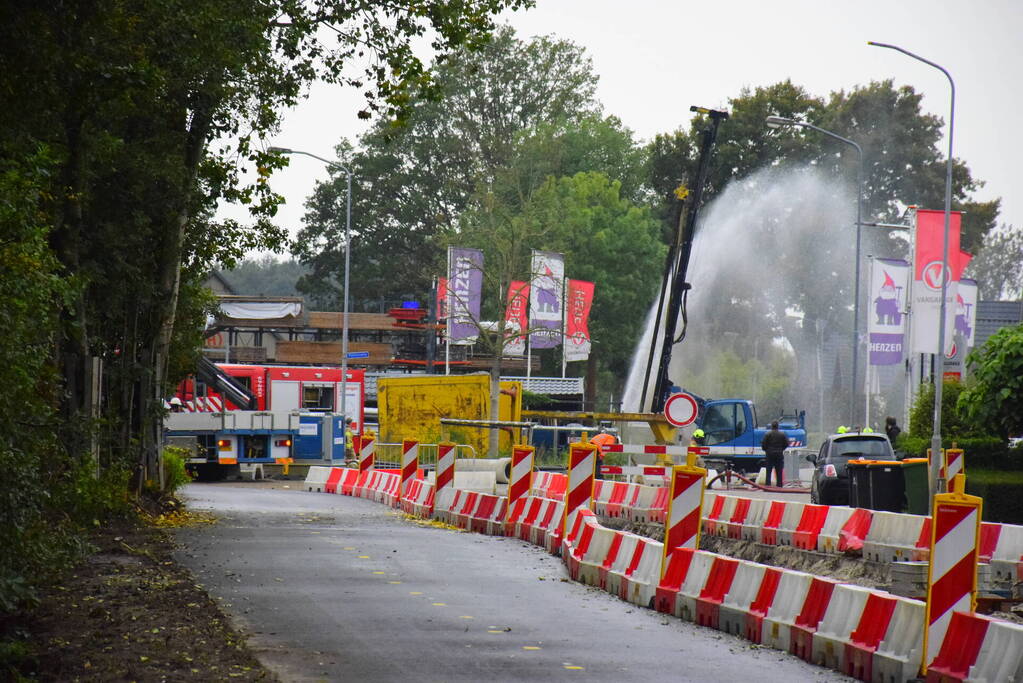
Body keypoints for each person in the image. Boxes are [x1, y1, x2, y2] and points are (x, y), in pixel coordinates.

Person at [760, 420, 788, 488]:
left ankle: (768, 485)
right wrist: (781, 449)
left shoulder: (767, 434)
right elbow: (786, 444)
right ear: (778, 426)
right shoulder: (782, 434)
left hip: (769, 454)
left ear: (772, 426)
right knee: (779, 470)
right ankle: (779, 485)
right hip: (779, 454)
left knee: (768, 470)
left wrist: (766, 450)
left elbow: (764, 444)